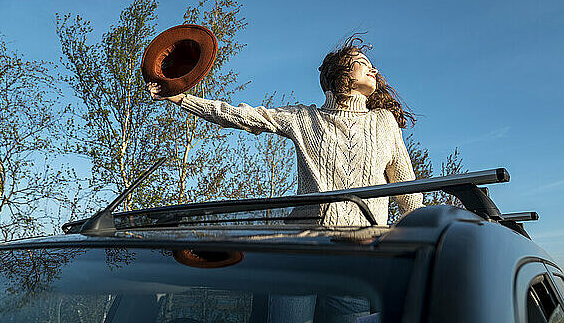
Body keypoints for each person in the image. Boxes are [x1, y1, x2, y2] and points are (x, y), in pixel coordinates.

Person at [147, 35, 424, 226]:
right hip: (301, 247)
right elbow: (245, 116)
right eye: (363, 63)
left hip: (361, 256)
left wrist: (418, 243)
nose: (373, 70)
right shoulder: (304, 117)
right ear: (341, 75)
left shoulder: (384, 122)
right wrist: (183, 99)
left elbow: (408, 196)